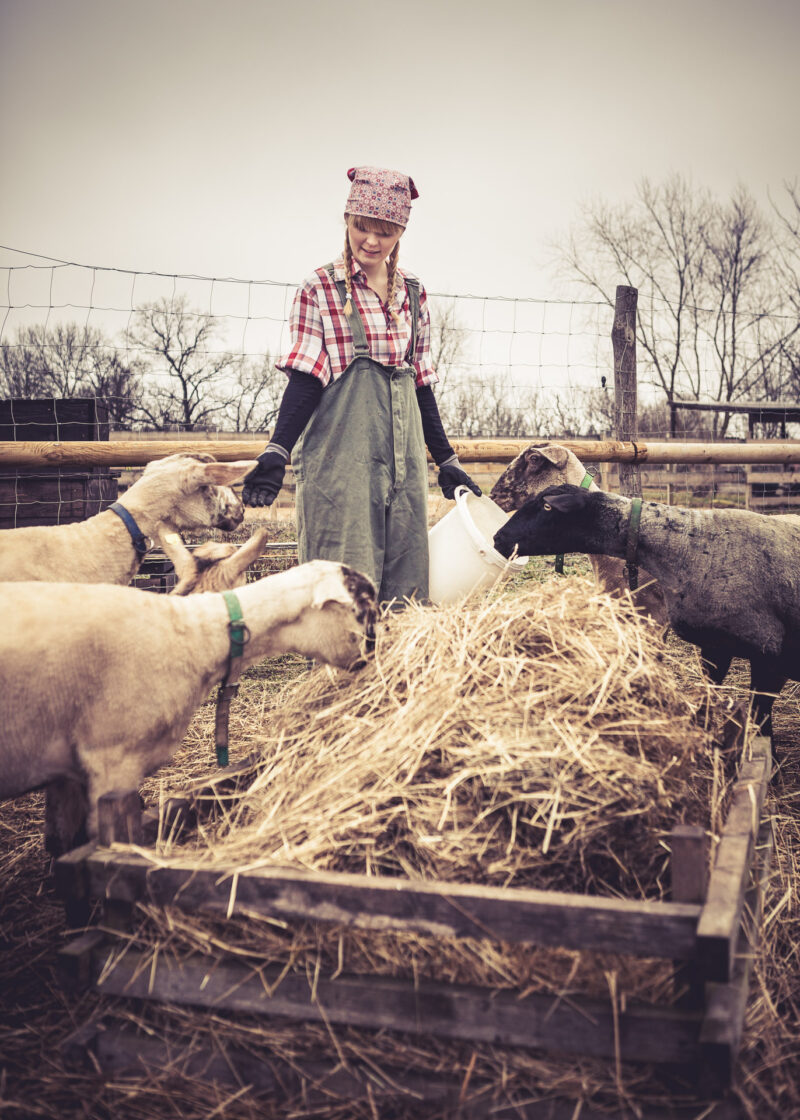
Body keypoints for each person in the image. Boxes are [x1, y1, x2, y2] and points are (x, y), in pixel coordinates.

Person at [242, 165, 480, 605]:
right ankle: (340, 674)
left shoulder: (412, 292)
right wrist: (278, 448)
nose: (370, 241)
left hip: (404, 462)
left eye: (384, 232)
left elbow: (421, 383)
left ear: (400, 232)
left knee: (405, 582)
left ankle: (397, 673)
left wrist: (447, 460)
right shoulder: (321, 288)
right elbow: (306, 376)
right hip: (342, 461)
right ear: (347, 222)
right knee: (344, 582)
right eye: (361, 228)